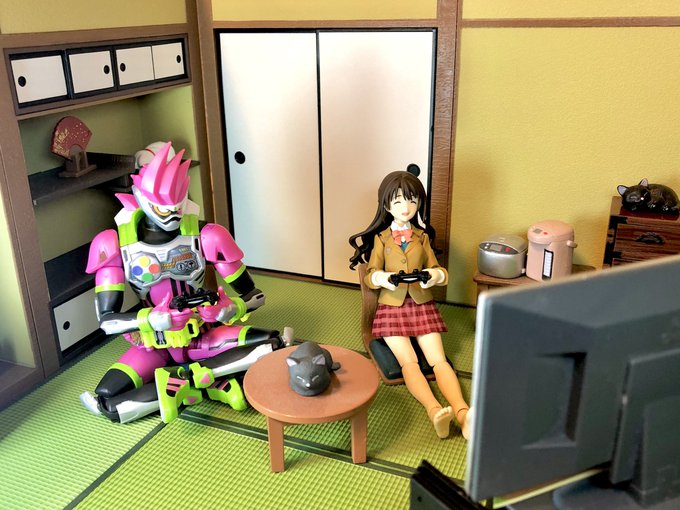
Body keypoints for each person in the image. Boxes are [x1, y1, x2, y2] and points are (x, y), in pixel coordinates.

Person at [80, 142, 283, 424]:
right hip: (153, 344)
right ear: (139, 196)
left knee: (273, 344)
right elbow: (107, 321)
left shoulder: (208, 235)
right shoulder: (112, 243)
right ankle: (208, 380)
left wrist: (230, 308)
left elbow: (255, 296)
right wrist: (150, 319)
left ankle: (181, 382)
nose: (172, 216)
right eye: (163, 208)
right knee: (106, 398)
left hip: (204, 334)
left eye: (177, 206)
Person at [349, 168, 469, 439]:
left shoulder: (422, 237)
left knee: (439, 361)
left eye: (412, 201)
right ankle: (434, 411)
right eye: (398, 201)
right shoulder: (381, 239)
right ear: (386, 205)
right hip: (391, 308)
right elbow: (370, 274)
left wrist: (433, 276)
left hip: (421, 304)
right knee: (409, 363)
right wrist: (383, 278)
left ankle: (463, 413)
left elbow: (439, 269)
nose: (406, 207)